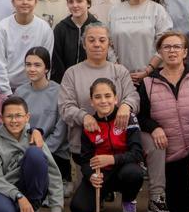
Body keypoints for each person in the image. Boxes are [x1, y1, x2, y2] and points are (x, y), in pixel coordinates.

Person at [137, 31, 189, 212]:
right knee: (180, 208)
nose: (172, 51)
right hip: (171, 148)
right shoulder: (148, 83)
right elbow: (141, 116)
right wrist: (154, 127)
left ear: (185, 52)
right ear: (160, 53)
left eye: (177, 47)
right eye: (167, 47)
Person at [58, 24, 139, 172]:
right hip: (85, 147)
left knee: (130, 175)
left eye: (102, 40)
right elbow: (65, 107)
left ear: (109, 43)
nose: (97, 44)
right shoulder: (72, 73)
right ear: (84, 44)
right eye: (91, 40)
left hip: (119, 143)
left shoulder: (120, 71)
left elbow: (133, 96)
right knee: (91, 188)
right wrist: (84, 117)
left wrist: (126, 105)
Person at [69, 78, 144, 212]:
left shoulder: (128, 118)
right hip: (102, 174)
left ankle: (128, 200)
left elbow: (137, 154)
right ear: (91, 101)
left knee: (133, 173)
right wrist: (91, 175)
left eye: (108, 96)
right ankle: (104, 194)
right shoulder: (90, 124)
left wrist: (112, 159)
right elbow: (85, 160)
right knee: (79, 210)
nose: (103, 101)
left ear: (116, 99)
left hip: (124, 169)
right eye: (97, 97)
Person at [0, 97, 67, 212]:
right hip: (8, 189)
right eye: (9, 116)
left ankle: (33, 207)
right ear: (1, 118)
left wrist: (56, 209)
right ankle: (20, 208)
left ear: (27, 117)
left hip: (33, 188)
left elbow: (52, 172)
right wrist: (19, 196)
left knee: (34, 153)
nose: (14, 121)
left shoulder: (35, 138)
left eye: (18, 116)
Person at [108, 0, 172, 83]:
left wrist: (148, 70)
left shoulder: (157, 10)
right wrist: (119, 69)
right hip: (120, 78)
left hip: (153, 77)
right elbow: (108, 44)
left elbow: (165, 45)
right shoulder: (115, 11)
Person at [15, 47, 69, 186]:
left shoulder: (59, 92)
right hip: (25, 150)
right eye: (28, 64)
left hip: (53, 153)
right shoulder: (20, 92)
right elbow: (15, 126)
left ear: (46, 69)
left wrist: (42, 151)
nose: (32, 69)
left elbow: (60, 131)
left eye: (37, 65)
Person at [0, 0, 54, 94]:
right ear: (13, 2)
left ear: (36, 2)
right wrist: (7, 94)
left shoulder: (44, 28)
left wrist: (41, 89)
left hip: (34, 88)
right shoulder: (2, 27)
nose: (25, 2)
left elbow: (46, 64)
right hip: (8, 89)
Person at [50, 0, 102, 82]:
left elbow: (102, 58)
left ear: (88, 3)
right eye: (71, 2)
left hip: (93, 82)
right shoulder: (60, 29)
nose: (75, 5)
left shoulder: (98, 28)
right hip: (65, 84)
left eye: (79, 1)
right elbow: (56, 61)